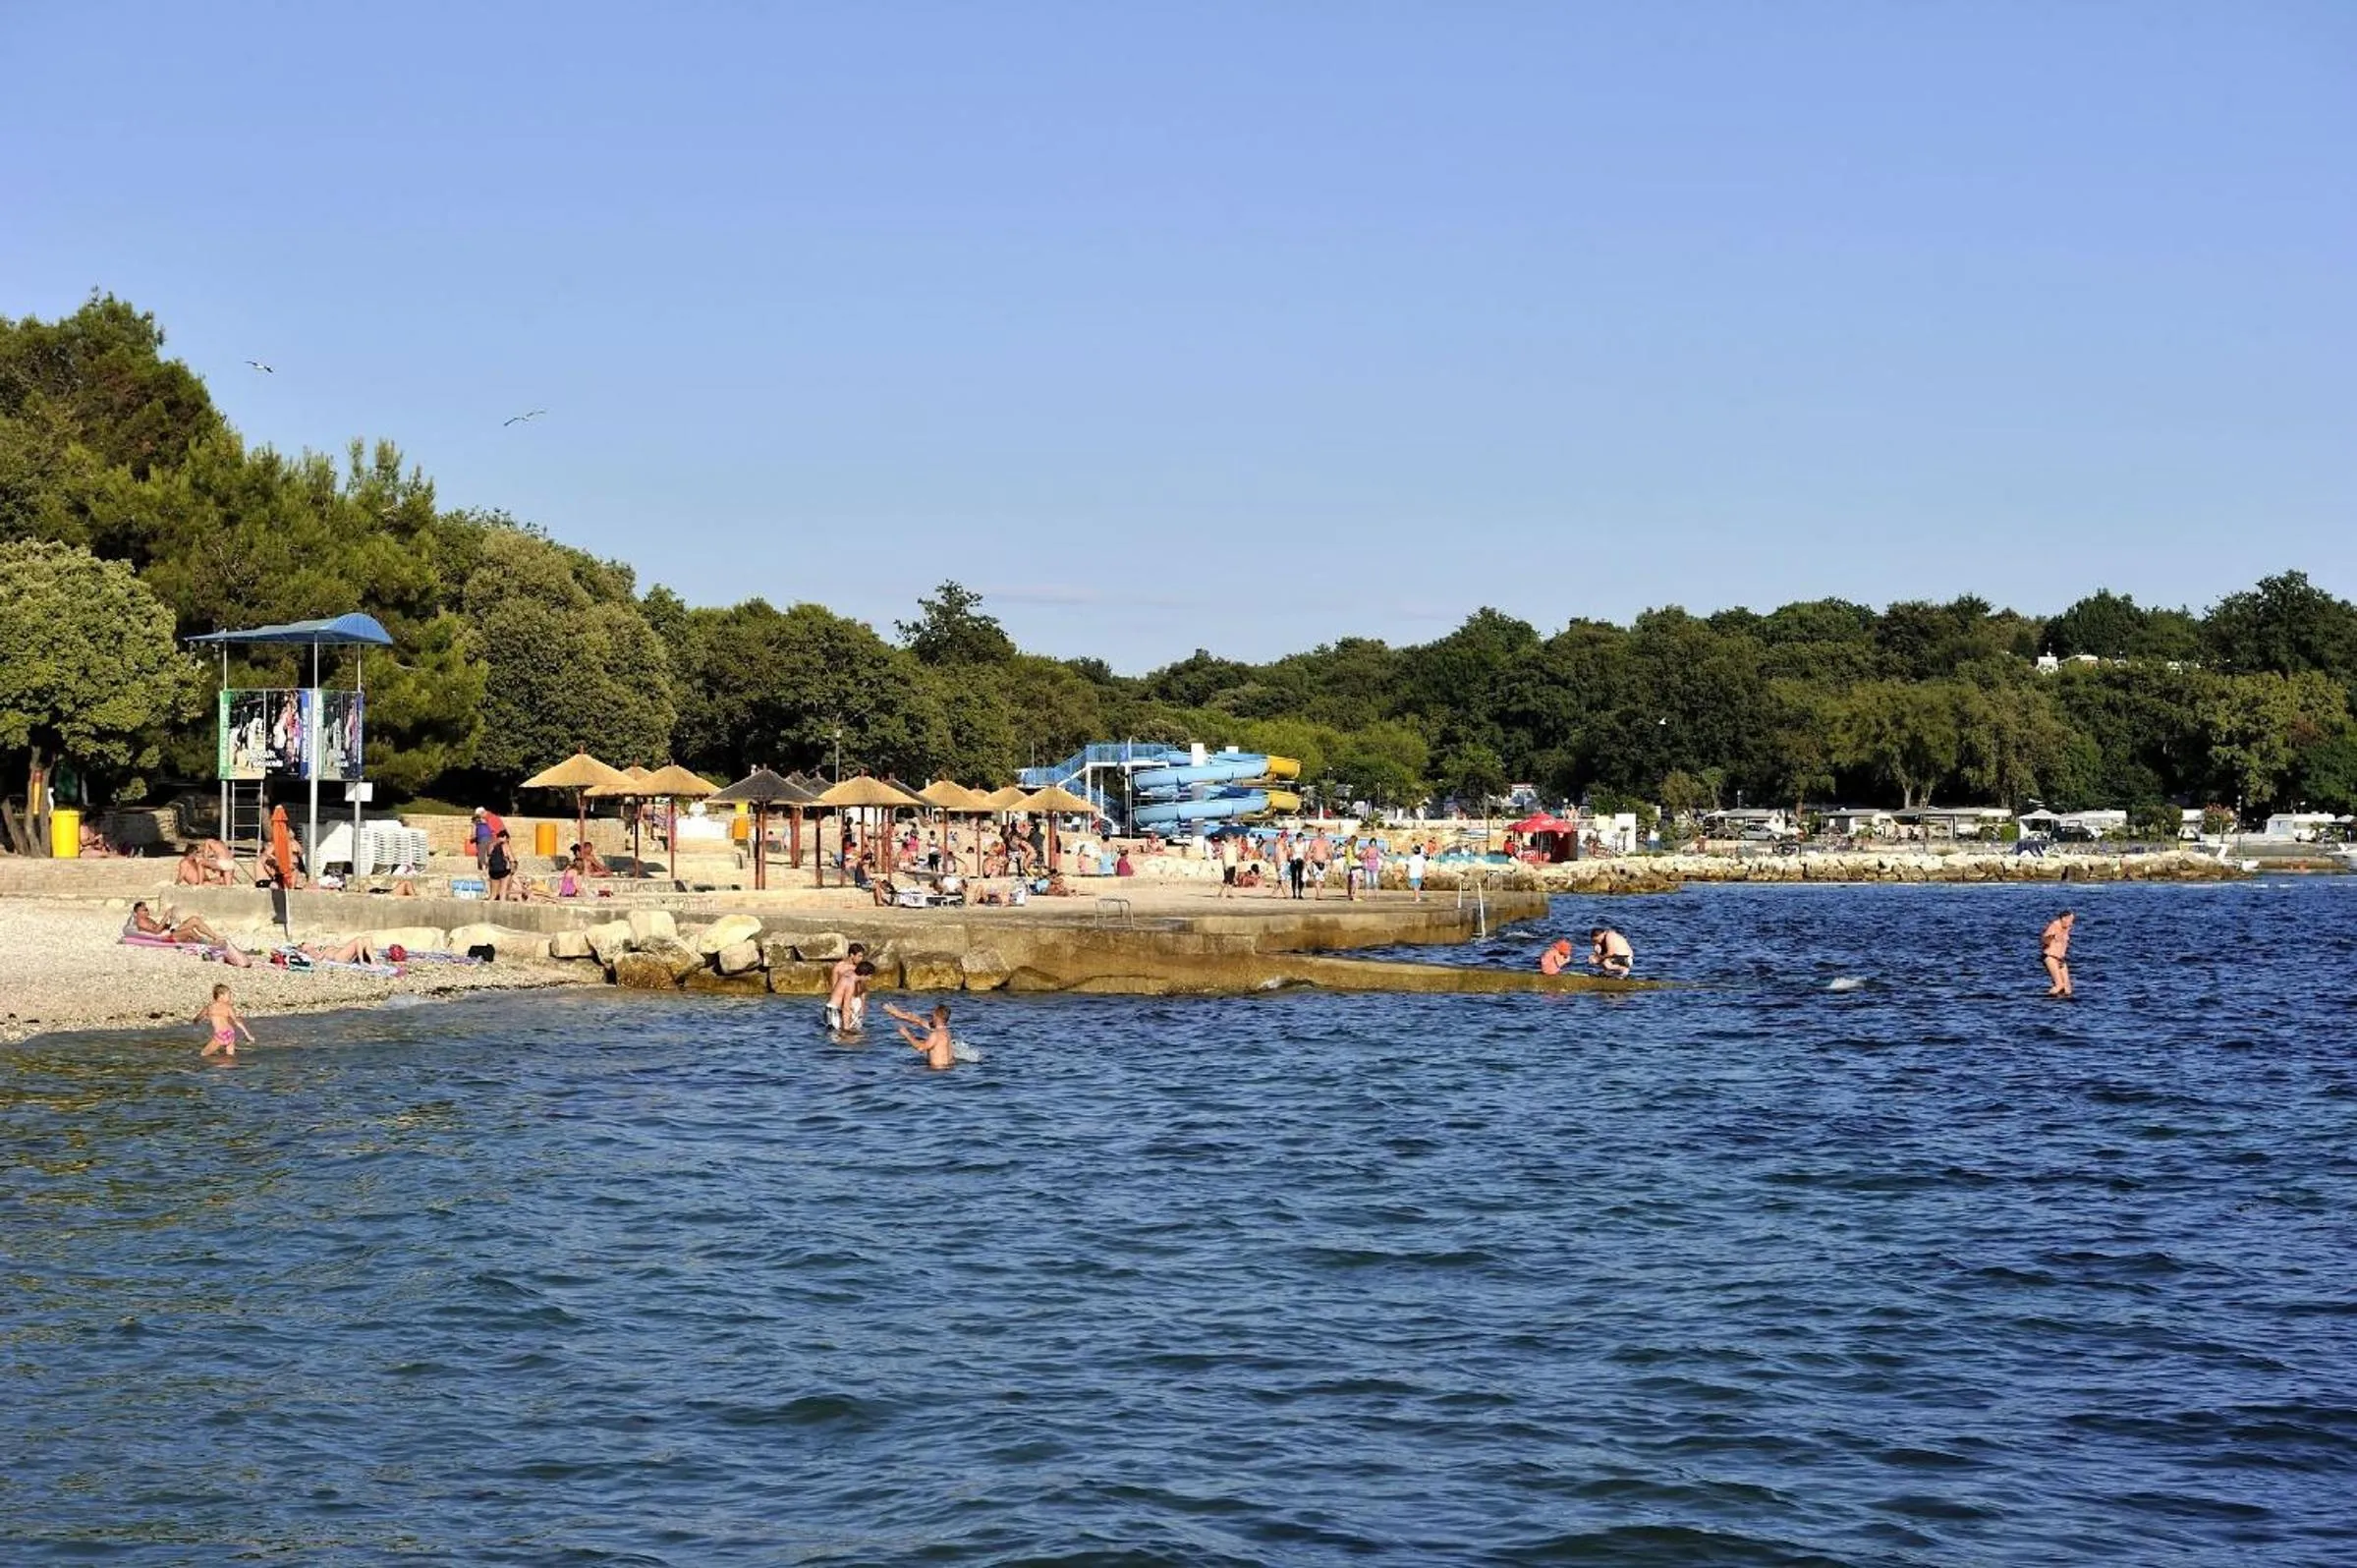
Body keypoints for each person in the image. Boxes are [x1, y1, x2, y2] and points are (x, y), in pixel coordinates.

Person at [127, 900, 238, 954]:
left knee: (194, 919)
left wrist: (171, 922)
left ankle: (215, 937)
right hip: (164, 937)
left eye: (147, 909)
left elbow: (161, 927)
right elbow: (156, 932)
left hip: (168, 932)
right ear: (137, 912)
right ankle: (206, 945)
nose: (147, 911)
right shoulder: (141, 922)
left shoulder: (147, 919)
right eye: (144, 910)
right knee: (189, 931)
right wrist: (165, 917)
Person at [884, 1000, 957, 1070]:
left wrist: (907, 1034)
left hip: (936, 1071)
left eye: (933, 1014)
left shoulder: (935, 1034)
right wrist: (897, 1013)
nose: (931, 1016)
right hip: (948, 1069)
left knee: (905, 1072)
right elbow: (919, 1020)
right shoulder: (946, 1032)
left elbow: (920, 1048)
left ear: (936, 1016)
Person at [196, 983, 254, 1057]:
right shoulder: (228, 1007)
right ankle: (228, 1066)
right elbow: (236, 1021)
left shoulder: (209, 1008)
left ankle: (217, 1065)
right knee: (230, 1057)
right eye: (229, 995)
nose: (230, 997)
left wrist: (196, 1021)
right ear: (221, 995)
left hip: (220, 1035)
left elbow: (199, 1017)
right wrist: (248, 1034)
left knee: (203, 1055)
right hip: (230, 1033)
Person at [827, 943, 869, 1033]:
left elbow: (863, 989)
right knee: (839, 1030)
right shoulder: (838, 967)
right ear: (851, 955)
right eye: (859, 956)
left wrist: (863, 1005)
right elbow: (834, 987)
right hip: (842, 1001)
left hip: (855, 1000)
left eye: (862, 956)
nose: (861, 959)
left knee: (855, 1030)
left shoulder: (860, 968)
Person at [2042, 911, 2075, 997]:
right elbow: (2044, 939)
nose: (2071, 924)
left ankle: (2065, 1006)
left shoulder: (2066, 928)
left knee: (2068, 988)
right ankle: (2046, 1002)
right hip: (2050, 957)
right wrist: (2049, 939)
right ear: (2064, 919)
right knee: (2059, 985)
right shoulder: (2054, 926)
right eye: (2070, 920)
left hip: (2061, 958)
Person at [486, 828, 516, 901]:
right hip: (503, 872)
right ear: (505, 837)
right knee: (503, 893)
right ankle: (502, 911)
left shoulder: (491, 845)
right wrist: (512, 871)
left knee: (493, 894)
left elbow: (488, 857)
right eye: (508, 839)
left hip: (493, 872)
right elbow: (512, 859)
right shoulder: (505, 845)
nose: (508, 841)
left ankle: (487, 909)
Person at [1217, 832, 1238, 899]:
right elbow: (1223, 855)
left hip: (1233, 863)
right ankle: (1222, 892)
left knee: (1230, 880)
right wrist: (1224, 864)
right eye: (1231, 837)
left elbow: (1236, 854)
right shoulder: (1225, 845)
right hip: (1227, 864)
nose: (1232, 838)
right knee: (1227, 879)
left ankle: (1228, 893)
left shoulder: (1234, 845)